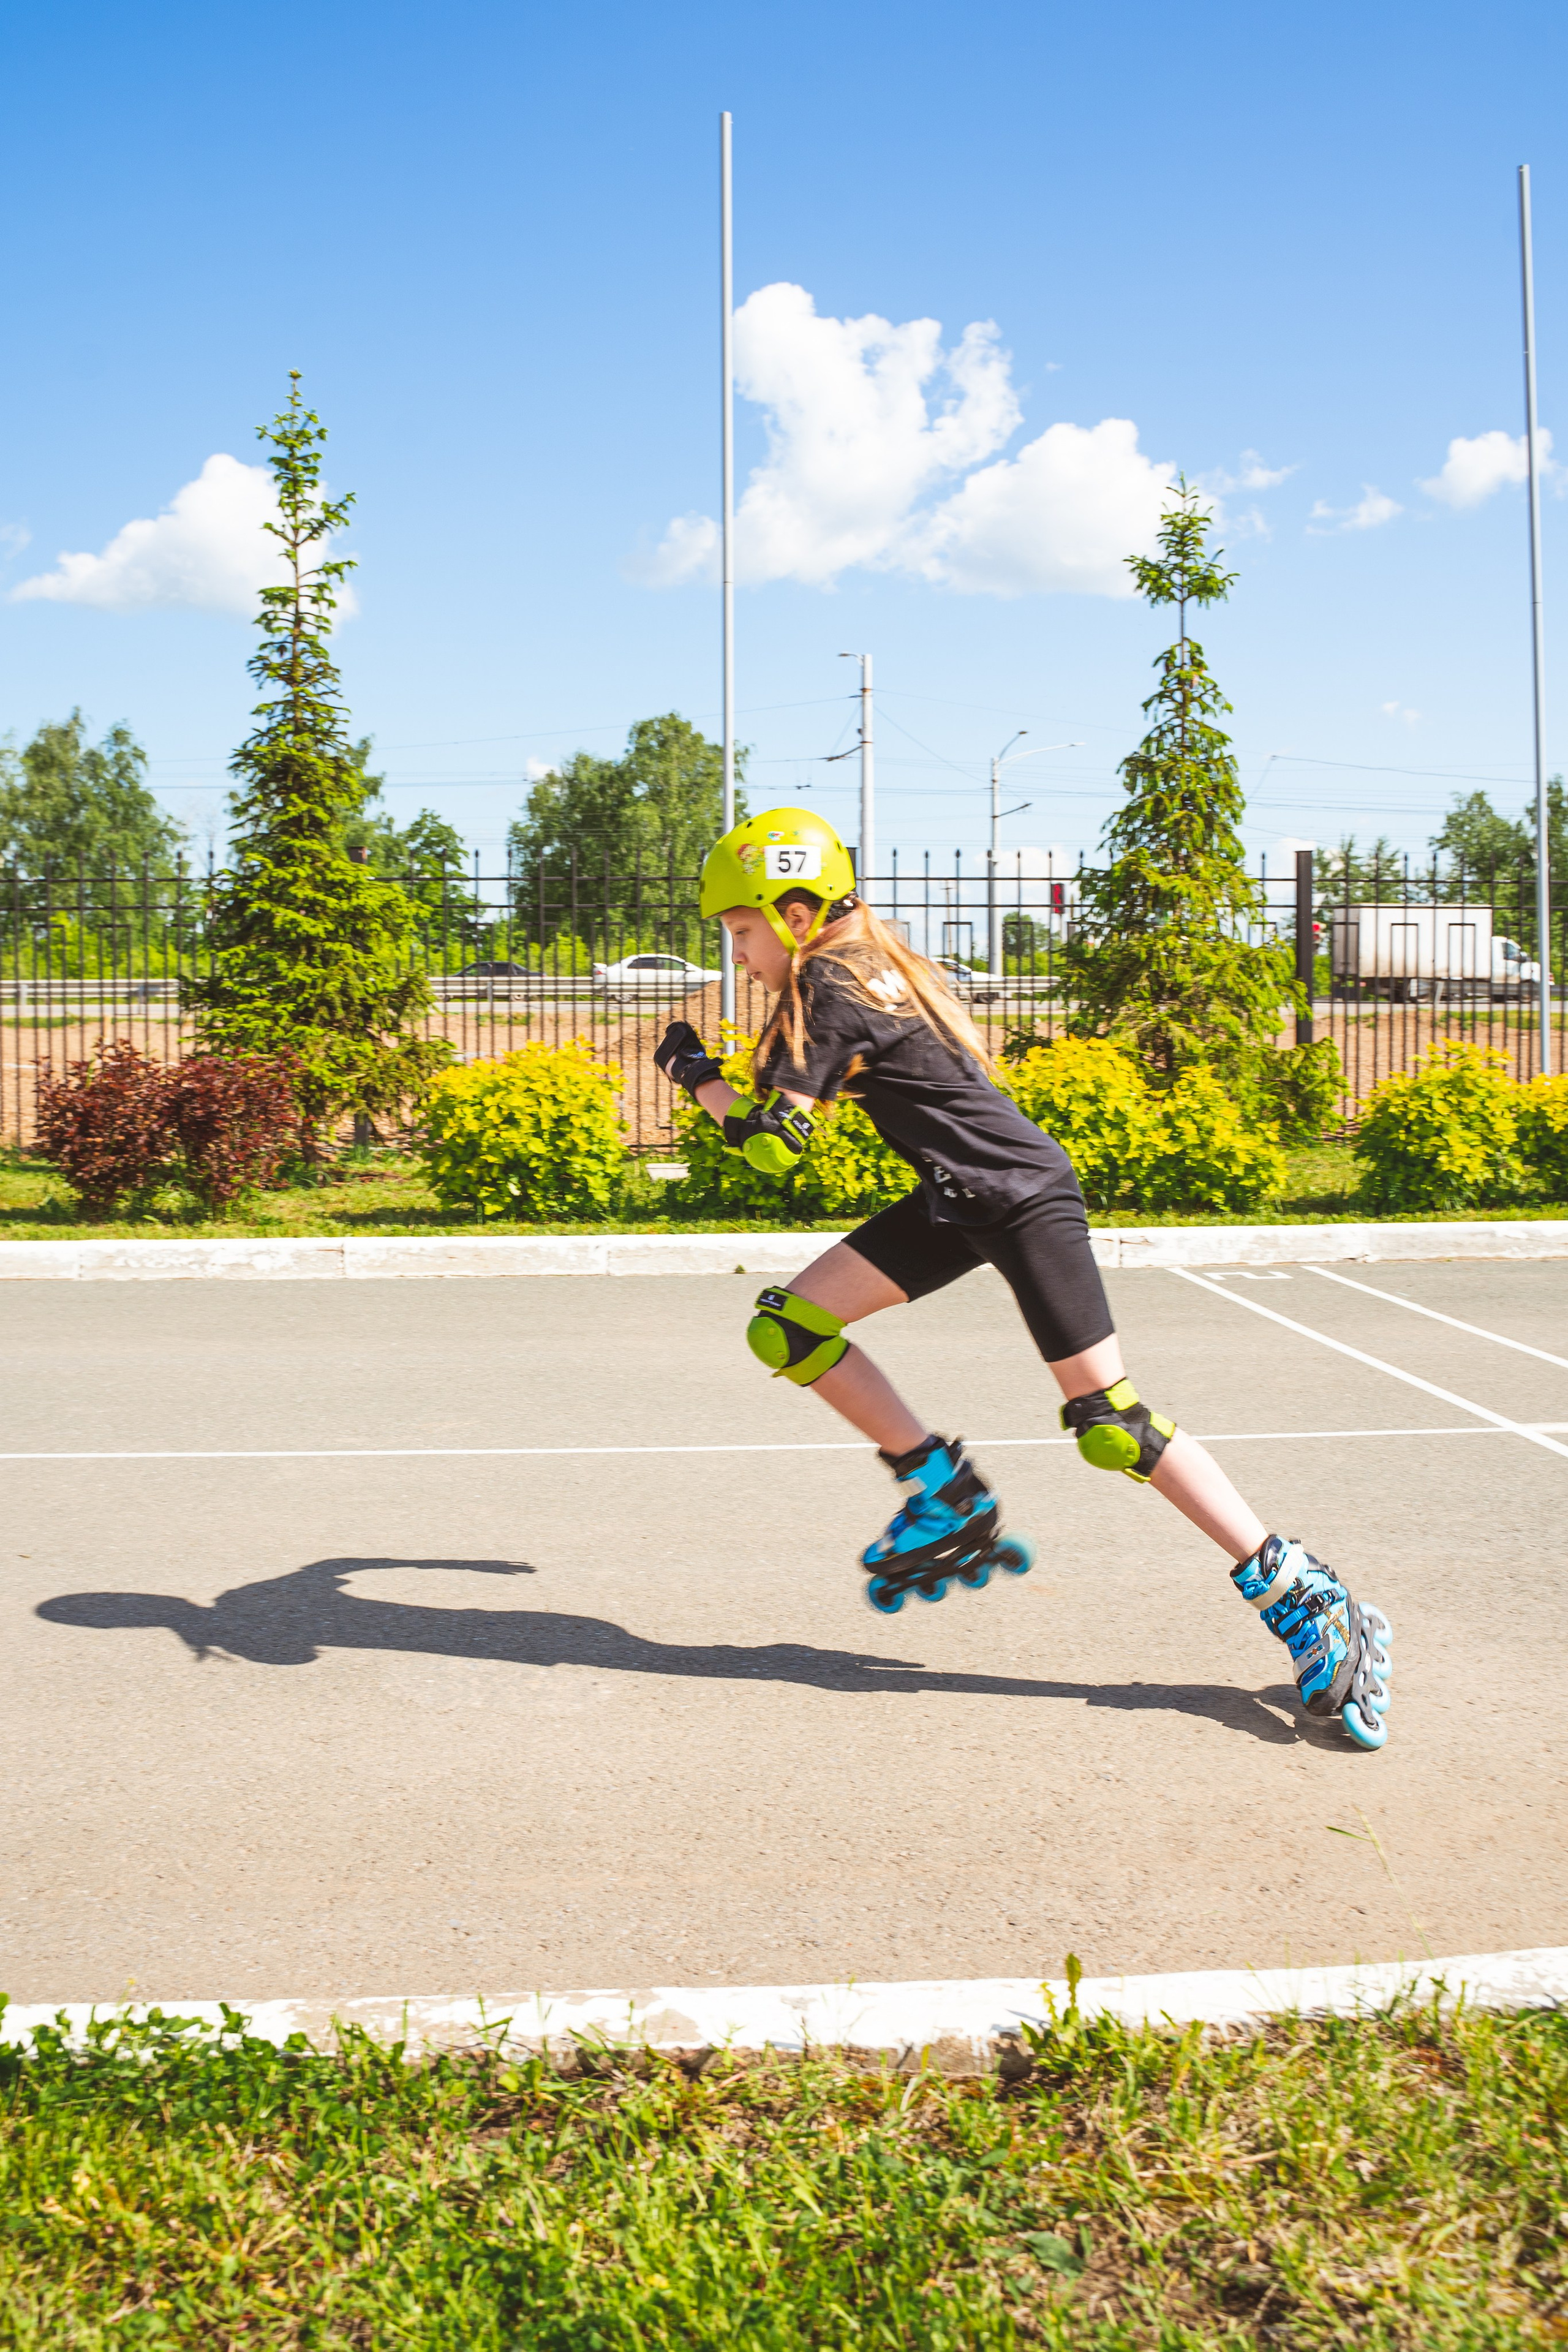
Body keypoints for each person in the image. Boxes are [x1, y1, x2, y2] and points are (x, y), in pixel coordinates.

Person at [655, 807, 1393, 1750]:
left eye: (741, 931)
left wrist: (693, 1072)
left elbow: (772, 1147)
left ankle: (1309, 1599)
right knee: (789, 1326)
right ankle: (942, 1492)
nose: (739, 954)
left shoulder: (832, 982)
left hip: (1019, 1198)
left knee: (1112, 1426)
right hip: (959, 1198)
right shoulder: (856, 969)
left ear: (794, 913)